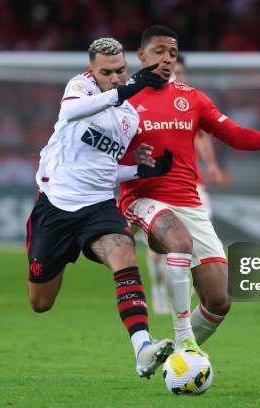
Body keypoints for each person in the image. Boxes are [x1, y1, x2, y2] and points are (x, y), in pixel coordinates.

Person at [118, 25, 260, 352]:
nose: (167, 58)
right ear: (141, 55)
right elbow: (101, 150)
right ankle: (185, 339)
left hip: (189, 204)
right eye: (159, 51)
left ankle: (174, 358)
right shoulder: (122, 99)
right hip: (142, 201)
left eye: (172, 53)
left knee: (220, 300)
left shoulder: (191, 99)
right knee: (179, 241)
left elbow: (235, 135)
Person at [25, 37, 175, 378]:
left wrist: (142, 170)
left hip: (98, 207)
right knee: (41, 303)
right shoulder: (80, 88)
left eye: (122, 71)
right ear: (92, 71)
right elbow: (69, 112)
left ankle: (142, 348)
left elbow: (106, 165)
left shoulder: (129, 116)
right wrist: (127, 89)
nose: (117, 77)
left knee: (124, 250)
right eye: (107, 72)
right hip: (56, 207)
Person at [146, 54, 229, 315]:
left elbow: (203, 138)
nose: (176, 75)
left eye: (180, 72)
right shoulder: (151, 100)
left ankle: (184, 293)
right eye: (173, 71)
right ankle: (159, 289)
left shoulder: (190, 101)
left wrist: (212, 166)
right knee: (161, 243)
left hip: (193, 185)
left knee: (198, 238)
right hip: (159, 186)